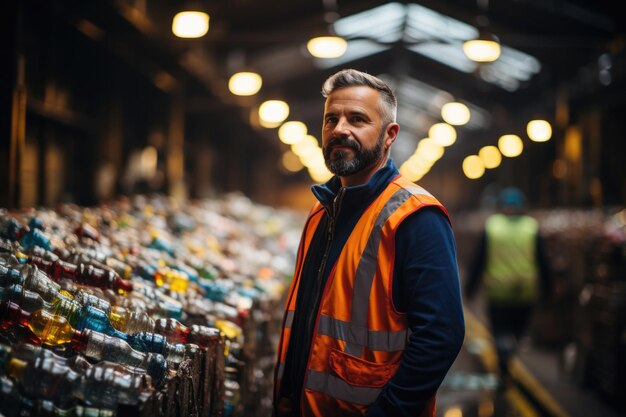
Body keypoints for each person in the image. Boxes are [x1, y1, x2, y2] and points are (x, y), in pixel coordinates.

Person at [273, 69, 465, 417]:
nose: (340, 129)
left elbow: (441, 336)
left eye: (357, 119)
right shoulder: (322, 210)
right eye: (331, 119)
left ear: (390, 135)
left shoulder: (416, 217)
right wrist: (287, 395)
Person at [465, 187, 551, 383]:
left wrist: (470, 289)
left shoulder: (492, 227)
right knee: (518, 330)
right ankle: (510, 350)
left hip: (498, 291)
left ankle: (503, 356)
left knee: (499, 330)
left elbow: (479, 260)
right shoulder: (531, 227)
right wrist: (548, 289)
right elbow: (542, 260)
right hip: (525, 291)